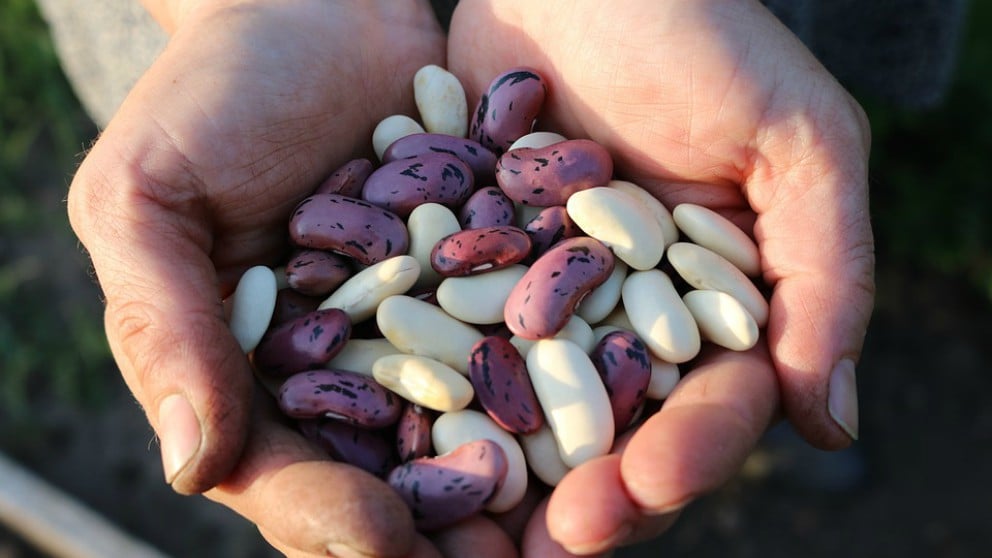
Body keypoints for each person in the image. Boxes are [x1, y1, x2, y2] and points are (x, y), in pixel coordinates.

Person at [50, 0, 962, 556]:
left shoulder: (553, 228)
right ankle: (772, 408)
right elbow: (454, 281)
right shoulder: (423, 257)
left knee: (766, 313)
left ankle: (781, 412)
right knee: (734, 331)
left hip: (648, 75)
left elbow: (505, 285)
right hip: (295, 50)